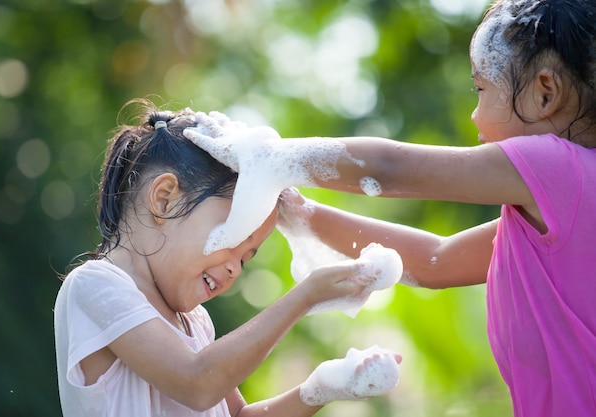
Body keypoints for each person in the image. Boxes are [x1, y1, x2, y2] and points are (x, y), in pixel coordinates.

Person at [183, 0, 596, 416]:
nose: (474, 115)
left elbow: (390, 168)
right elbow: (436, 261)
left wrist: (268, 157)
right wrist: (301, 214)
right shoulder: (556, 214)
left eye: (481, 89)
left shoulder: (562, 169)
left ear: (545, 93)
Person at [53, 101, 403, 417]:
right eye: (233, 238)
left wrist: (324, 387)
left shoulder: (195, 323)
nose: (236, 267)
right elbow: (196, 384)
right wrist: (306, 294)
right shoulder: (96, 285)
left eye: (247, 258)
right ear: (164, 199)